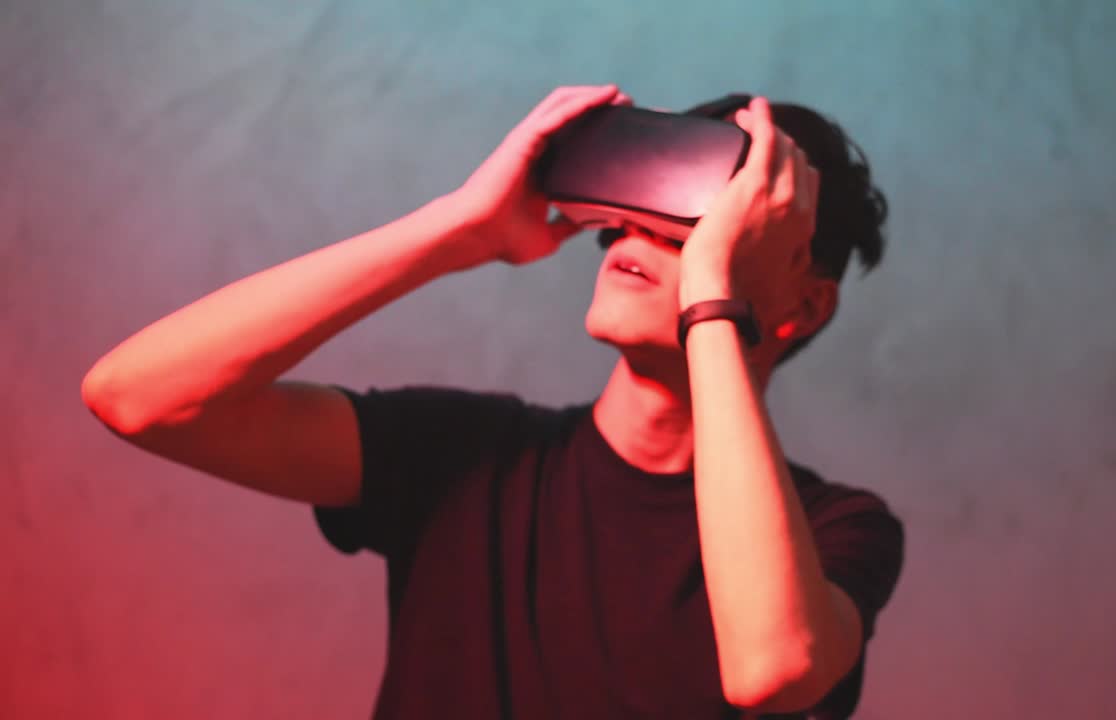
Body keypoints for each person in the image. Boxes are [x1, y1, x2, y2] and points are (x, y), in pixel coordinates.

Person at [82, 84, 904, 719]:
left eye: (720, 212)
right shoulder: (469, 454)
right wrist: (455, 230)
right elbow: (139, 398)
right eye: (651, 197)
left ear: (806, 305)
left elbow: (771, 669)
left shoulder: (839, 526)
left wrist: (711, 293)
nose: (646, 230)